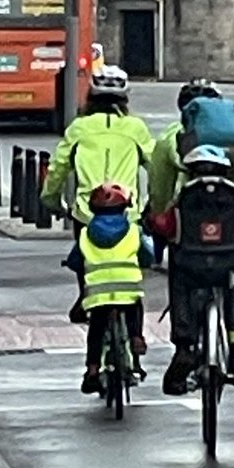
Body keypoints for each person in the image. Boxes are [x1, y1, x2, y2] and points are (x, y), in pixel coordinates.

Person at [148, 81, 234, 394]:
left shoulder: (172, 139)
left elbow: (159, 188)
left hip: (190, 233)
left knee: (181, 278)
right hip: (230, 227)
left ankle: (184, 346)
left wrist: (158, 217)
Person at [41, 68, 155, 321]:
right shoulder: (135, 128)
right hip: (127, 212)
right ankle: (134, 335)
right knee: (132, 267)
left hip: (87, 212)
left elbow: (58, 168)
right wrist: (153, 203)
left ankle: (85, 299)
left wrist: (50, 199)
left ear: (90, 95)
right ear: (125, 98)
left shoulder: (79, 128)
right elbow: (155, 166)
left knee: (85, 260)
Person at [64, 183, 154, 395]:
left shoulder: (86, 234)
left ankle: (93, 371)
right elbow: (148, 256)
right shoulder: (133, 232)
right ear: (124, 208)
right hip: (128, 288)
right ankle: (135, 337)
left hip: (98, 294)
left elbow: (75, 260)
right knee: (135, 306)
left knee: (96, 329)